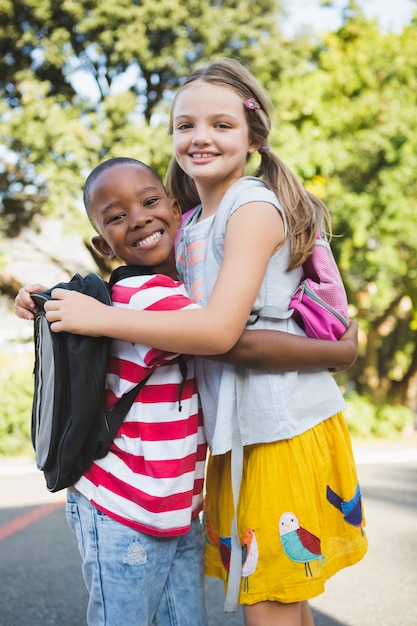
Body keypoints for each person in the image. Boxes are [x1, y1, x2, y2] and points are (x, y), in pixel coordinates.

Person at [14, 58, 366, 626]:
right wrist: (52, 299)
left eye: (221, 125)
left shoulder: (250, 208)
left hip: (279, 427)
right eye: (186, 126)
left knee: (269, 602)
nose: (201, 137)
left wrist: (340, 353)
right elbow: (146, 296)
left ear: (253, 136)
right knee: (282, 596)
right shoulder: (194, 221)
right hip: (240, 433)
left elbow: (220, 334)